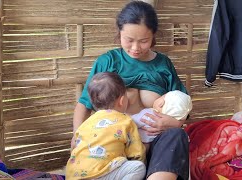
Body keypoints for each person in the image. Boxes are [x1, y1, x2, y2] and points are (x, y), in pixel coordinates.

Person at [72, 1, 190, 179]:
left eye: (144, 41)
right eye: (129, 40)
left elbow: (183, 104)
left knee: (176, 136)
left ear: (153, 36)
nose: (135, 48)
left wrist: (174, 123)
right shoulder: (108, 62)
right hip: (115, 145)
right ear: (119, 32)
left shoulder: (163, 64)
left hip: (156, 144)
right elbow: (84, 104)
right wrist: (77, 136)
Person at [66, 72, 146, 180]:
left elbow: (75, 148)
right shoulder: (125, 121)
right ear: (122, 101)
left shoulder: (85, 124)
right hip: (101, 174)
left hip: (73, 175)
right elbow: (137, 153)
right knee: (138, 167)